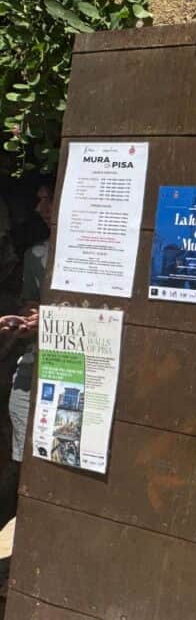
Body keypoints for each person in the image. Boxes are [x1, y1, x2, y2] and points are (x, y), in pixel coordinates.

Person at [0, 182, 53, 472]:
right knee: (20, 402)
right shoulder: (36, 255)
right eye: (39, 199)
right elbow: (29, 303)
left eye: (49, 200)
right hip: (36, 353)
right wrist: (28, 319)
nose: (39, 209)